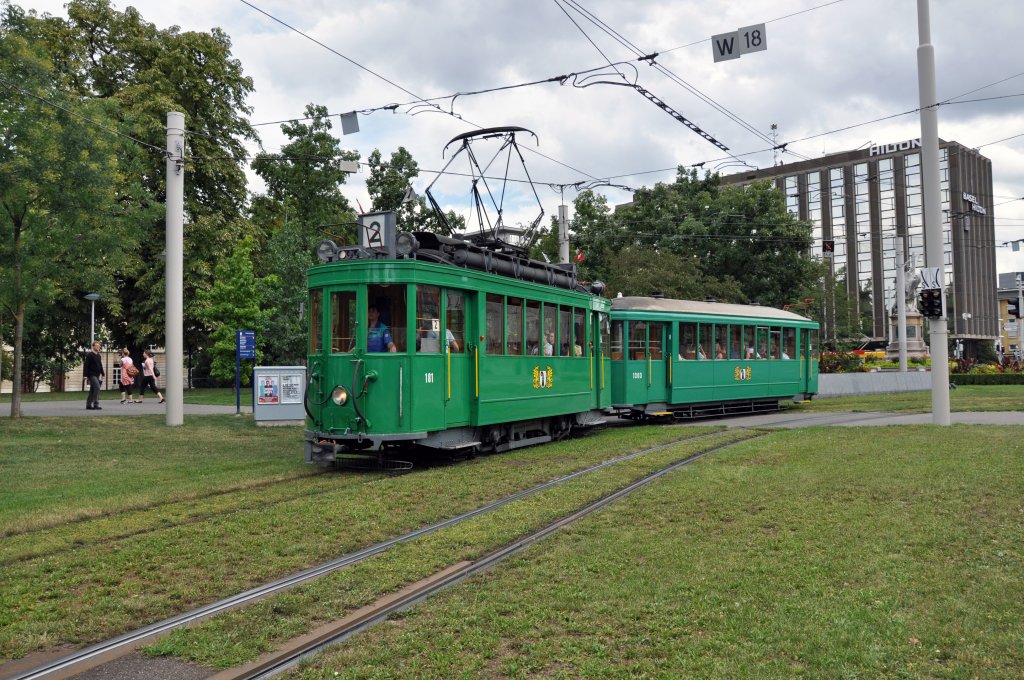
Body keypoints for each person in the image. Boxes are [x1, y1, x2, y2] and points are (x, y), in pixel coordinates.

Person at [84, 341, 104, 410]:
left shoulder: (98, 356)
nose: (98, 347)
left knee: (92, 390)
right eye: (96, 346)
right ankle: (96, 404)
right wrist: (85, 375)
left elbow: (100, 365)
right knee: (97, 387)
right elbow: (86, 365)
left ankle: (88, 405)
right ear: (93, 346)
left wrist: (103, 373)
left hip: (97, 375)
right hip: (91, 375)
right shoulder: (90, 355)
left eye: (99, 346)